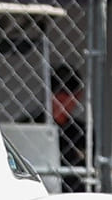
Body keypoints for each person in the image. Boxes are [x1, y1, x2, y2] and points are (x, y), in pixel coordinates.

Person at [17, 63, 88, 192]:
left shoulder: (82, 131)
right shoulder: (29, 125)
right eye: (56, 94)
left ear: (77, 96)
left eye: (67, 95)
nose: (60, 101)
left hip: (74, 194)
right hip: (37, 192)